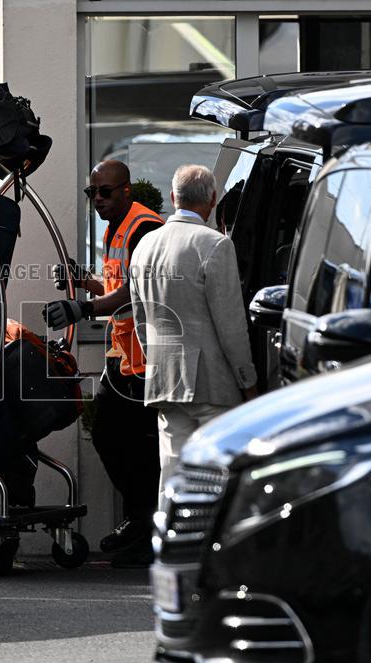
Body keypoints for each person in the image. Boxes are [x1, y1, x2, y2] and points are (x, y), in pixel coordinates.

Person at [44, 160, 163, 568]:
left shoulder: (144, 228)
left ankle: (146, 530)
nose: (97, 199)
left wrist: (83, 308)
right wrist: (83, 282)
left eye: (105, 192)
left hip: (145, 362)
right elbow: (114, 286)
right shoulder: (116, 227)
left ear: (126, 190)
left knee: (135, 448)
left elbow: (134, 291)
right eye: (91, 192)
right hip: (124, 359)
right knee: (114, 440)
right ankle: (140, 525)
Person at [128, 165, 257, 502]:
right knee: (216, 483)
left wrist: (157, 363)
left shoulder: (144, 246)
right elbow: (231, 326)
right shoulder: (215, 245)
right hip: (213, 383)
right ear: (213, 200)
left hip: (165, 380)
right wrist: (248, 382)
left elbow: (141, 321)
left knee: (172, 479)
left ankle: (170, 533)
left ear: (173, 197)